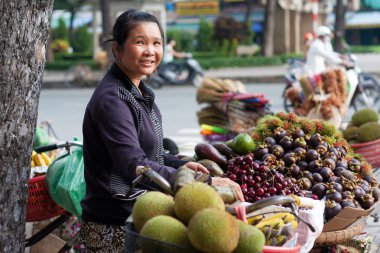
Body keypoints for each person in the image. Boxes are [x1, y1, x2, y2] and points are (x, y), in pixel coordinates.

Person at [79, 9, 243, 252]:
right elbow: (134, 164)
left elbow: (149, 155)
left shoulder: (140, 92)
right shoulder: (112, 99)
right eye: (140, 42)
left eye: (156, 43)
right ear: (117, 48)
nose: (150, 51)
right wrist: (204, 183)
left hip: (138, 215)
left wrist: (181, 166)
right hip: (114, 227)